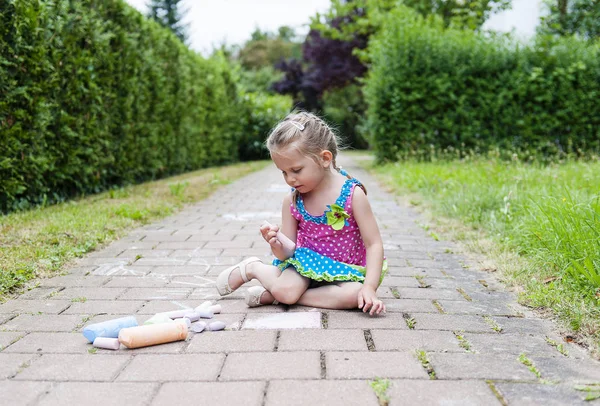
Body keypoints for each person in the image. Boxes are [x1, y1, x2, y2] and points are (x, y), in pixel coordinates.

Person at [216, 111, 387, 315]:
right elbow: (288, 253)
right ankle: (254, 268)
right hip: (305, 266)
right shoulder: (293, 200)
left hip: (344, 271)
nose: (290, 179)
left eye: (296, 170)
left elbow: (373, 244)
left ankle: (275, 297)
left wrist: (370, 288)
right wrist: (276, 243)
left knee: (355, 295)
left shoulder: (353, 195)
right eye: (284, 172)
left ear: (324, 158)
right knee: (286, 291)